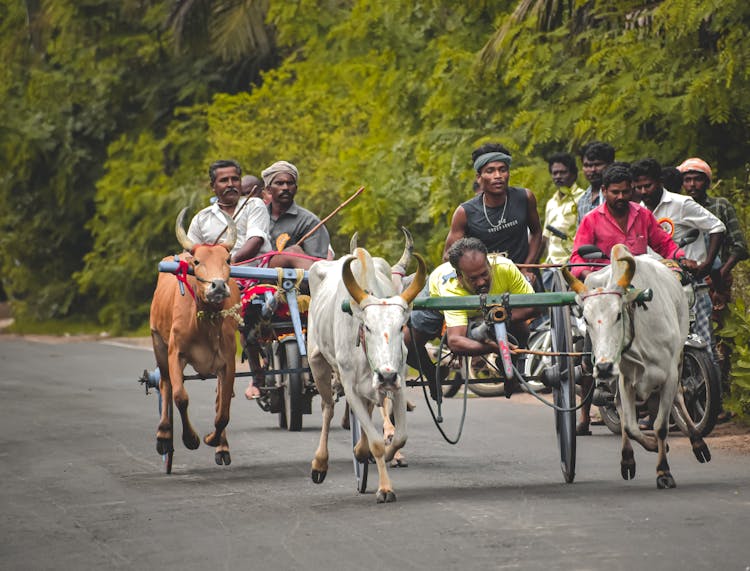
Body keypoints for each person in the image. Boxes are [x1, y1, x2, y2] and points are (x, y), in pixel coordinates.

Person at [568, 162, 698, 435]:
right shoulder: (591, 219)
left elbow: (664, 244)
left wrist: (679, 258)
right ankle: (584, 413)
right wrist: (589, 273)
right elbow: (577, 259)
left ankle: (654, 401)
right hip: (605, 291)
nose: (621, 197)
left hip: (638, 286)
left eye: (626, 192)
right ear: (604, 191)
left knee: (655, 331)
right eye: (615, 192)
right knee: (594, 338)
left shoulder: (642, 215)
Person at [404, 238, 536, 399]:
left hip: (492, 306)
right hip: (437, 301)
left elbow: (533, 307)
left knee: (522, 329)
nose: (481, 282)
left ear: (490, 263)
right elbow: (455, 342)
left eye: (484, 274)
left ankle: (509, 366)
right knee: (408, 343)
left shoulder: (506, 268)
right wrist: (495, 348)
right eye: (473, 278)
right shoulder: (451, 287)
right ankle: (432, 375)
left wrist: (502, 319)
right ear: (459, 276)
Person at [678, 157, 749, 420]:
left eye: (697, 179)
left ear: (707, 181)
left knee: (717, 343)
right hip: (686, 279)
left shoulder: (720, 205)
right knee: (687, 339)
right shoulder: (680, 207)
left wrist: (719, 274)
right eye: (687, 179)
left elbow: (740, 247)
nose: (692, 184)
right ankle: (693, 402)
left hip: (717, 282)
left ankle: (716, 400)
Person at [442, 143, 543, 286]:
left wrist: (527, 267)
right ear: (479, 177)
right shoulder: (464, 212)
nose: (498, 176)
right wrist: (474, 274)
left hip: (525, 279)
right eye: (490, 171)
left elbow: (536, 232)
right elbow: (448, 256)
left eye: (503, 170)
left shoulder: (525, 197)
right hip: (487, 283)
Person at [187, 159, 271, 265]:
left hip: (254, 276)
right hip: (214, 278)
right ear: (213, 186)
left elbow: (256, 241)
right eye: (224, 180)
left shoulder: (254, 204)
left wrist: (229, 263)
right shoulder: (201, 218)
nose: (230, 184)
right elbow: (190, 254)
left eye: (235, 179)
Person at [261, 160, 331, 269]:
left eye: (290, 183)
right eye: (279, 183)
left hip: (294, 283)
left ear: (296, 189)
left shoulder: (310, 222)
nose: (285, 188)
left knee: (293, 252)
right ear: (269, 189)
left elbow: (317, 266)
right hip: (253, 279)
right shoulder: (256, 216)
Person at [541, 152, 585, 290]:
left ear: (573, 174)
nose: (558, 176)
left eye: (562, 172)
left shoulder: (582, 198)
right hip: (551, 265)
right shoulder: (551, 202)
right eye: (555, 173)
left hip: (572, 264)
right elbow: (545, 238)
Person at [576, 142, 615, 224]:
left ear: (610, 164)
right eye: (587, 166)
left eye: (597, 164)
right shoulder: (582, 201)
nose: (592, 170)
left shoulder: (617, 195)